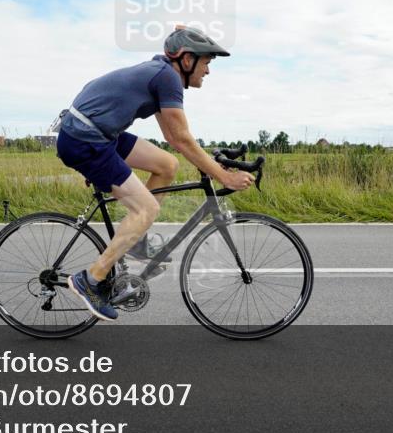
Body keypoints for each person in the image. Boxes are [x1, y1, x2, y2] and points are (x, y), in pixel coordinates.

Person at [56, 25, 255, 321]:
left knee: (167, 165)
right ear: (187, 61)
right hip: (85, 139)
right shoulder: (166, 77)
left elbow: (175, 138)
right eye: (207, 62)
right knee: (145, 208)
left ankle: (135, 240)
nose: (208, 71)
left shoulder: (161, 74)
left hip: (97, 134)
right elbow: (181, 139)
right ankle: (90, 279)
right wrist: (223, 177)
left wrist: (212, 165)